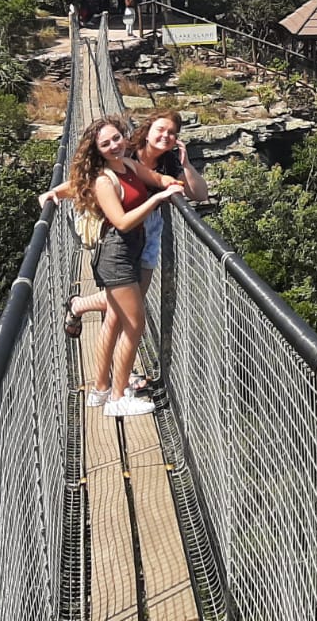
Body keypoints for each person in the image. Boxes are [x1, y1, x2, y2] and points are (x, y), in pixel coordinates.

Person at [59, 115, 182, 417]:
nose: (114, 145)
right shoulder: (104, 180)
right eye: (106, 143)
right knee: (134, 324)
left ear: (125, 137)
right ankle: (117, 398)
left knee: (125, 320)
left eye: (117, 138)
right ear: (97, 150)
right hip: (116, 255)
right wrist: (159, 200)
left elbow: (154, 179)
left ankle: (104, 390)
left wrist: (169, 181)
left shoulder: (128, 165)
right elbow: (123, 222)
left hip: (128, 251)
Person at [58, 110, 206, 334]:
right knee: (123, 308)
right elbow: (87, 180)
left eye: (172, 133)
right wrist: (55, 193)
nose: (166, 136)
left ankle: (79, 305)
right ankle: (114, 359)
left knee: (134, 298)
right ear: (147, 132)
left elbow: (200, 195)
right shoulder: (126, 154)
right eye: (160, 129)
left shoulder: (169, 161)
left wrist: (186, 166)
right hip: (119, 231)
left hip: (151, 228)